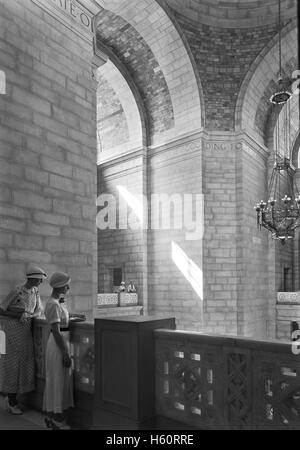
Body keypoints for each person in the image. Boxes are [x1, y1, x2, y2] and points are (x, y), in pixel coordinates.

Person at [0, 265, 46, 415]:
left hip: (25, 332)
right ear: (32, 278)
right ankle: (11, 400)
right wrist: (18, 315)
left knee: (25, 362)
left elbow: (39, 309)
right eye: (39, 279)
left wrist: (30, 315)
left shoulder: (35, 292)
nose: (41, 282)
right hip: (12, 332)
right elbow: (1, 309)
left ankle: (13, 397)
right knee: (13, 364)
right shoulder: (17, 291)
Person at [43, 272, 85, 430]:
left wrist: (73, 317)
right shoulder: (53, 303)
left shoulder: (57, 302)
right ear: (59, 285)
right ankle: (57, 419)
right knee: (59, 380)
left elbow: (61, 321)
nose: (68, 287)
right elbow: (56, 331)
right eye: (66, 284)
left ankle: (52, 416)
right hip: (59, 344)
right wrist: (66, 353)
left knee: (58, 379)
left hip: (60, 342)